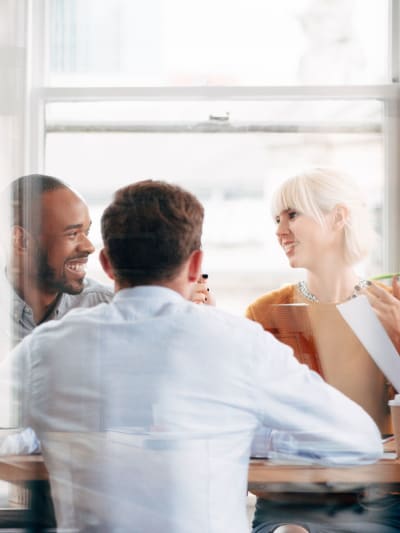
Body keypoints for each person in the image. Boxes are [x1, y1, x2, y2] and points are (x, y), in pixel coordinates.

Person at [6, 179, 382, 533]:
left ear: (106, 263)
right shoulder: (238, 342)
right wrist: (245, 433)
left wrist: (55, 433)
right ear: (196, 264)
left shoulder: (45, 349)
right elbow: (359, 440)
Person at [246, 167, 398, 533]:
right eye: (276, 219)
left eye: (292, 215)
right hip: (291, 503)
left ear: (339, 217)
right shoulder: (265, 313)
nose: (280, 231)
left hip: (379, 501)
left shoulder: (392, 305)